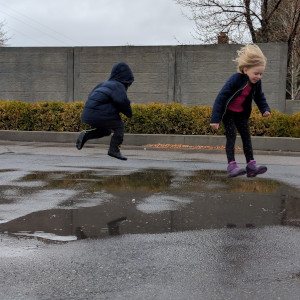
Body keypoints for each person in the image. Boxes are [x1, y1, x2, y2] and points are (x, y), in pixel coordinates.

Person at [210, 44, 271, 177]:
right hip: (229, 114)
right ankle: (232, 165)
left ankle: (251, 165)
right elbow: (221, 98)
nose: (258, 76)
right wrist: (215, 119)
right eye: (256, 73)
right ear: (245, 70)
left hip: (241, 114)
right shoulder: (235, 80)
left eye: (261, 74)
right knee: (231, 137)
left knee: (246, 137)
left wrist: (265, 109)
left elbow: (259, 97)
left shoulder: (256, 83)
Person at [76, 62, 134, 161]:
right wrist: (129, 113)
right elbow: (122, 101)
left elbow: (92, 96)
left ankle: (86, 135)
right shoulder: (118, 86)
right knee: (119, 126)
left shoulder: (103, 84)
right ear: (126, 80)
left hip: (88, 113)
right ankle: (114, 150)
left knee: (106, 130)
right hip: (99, 113)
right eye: (129, 83)